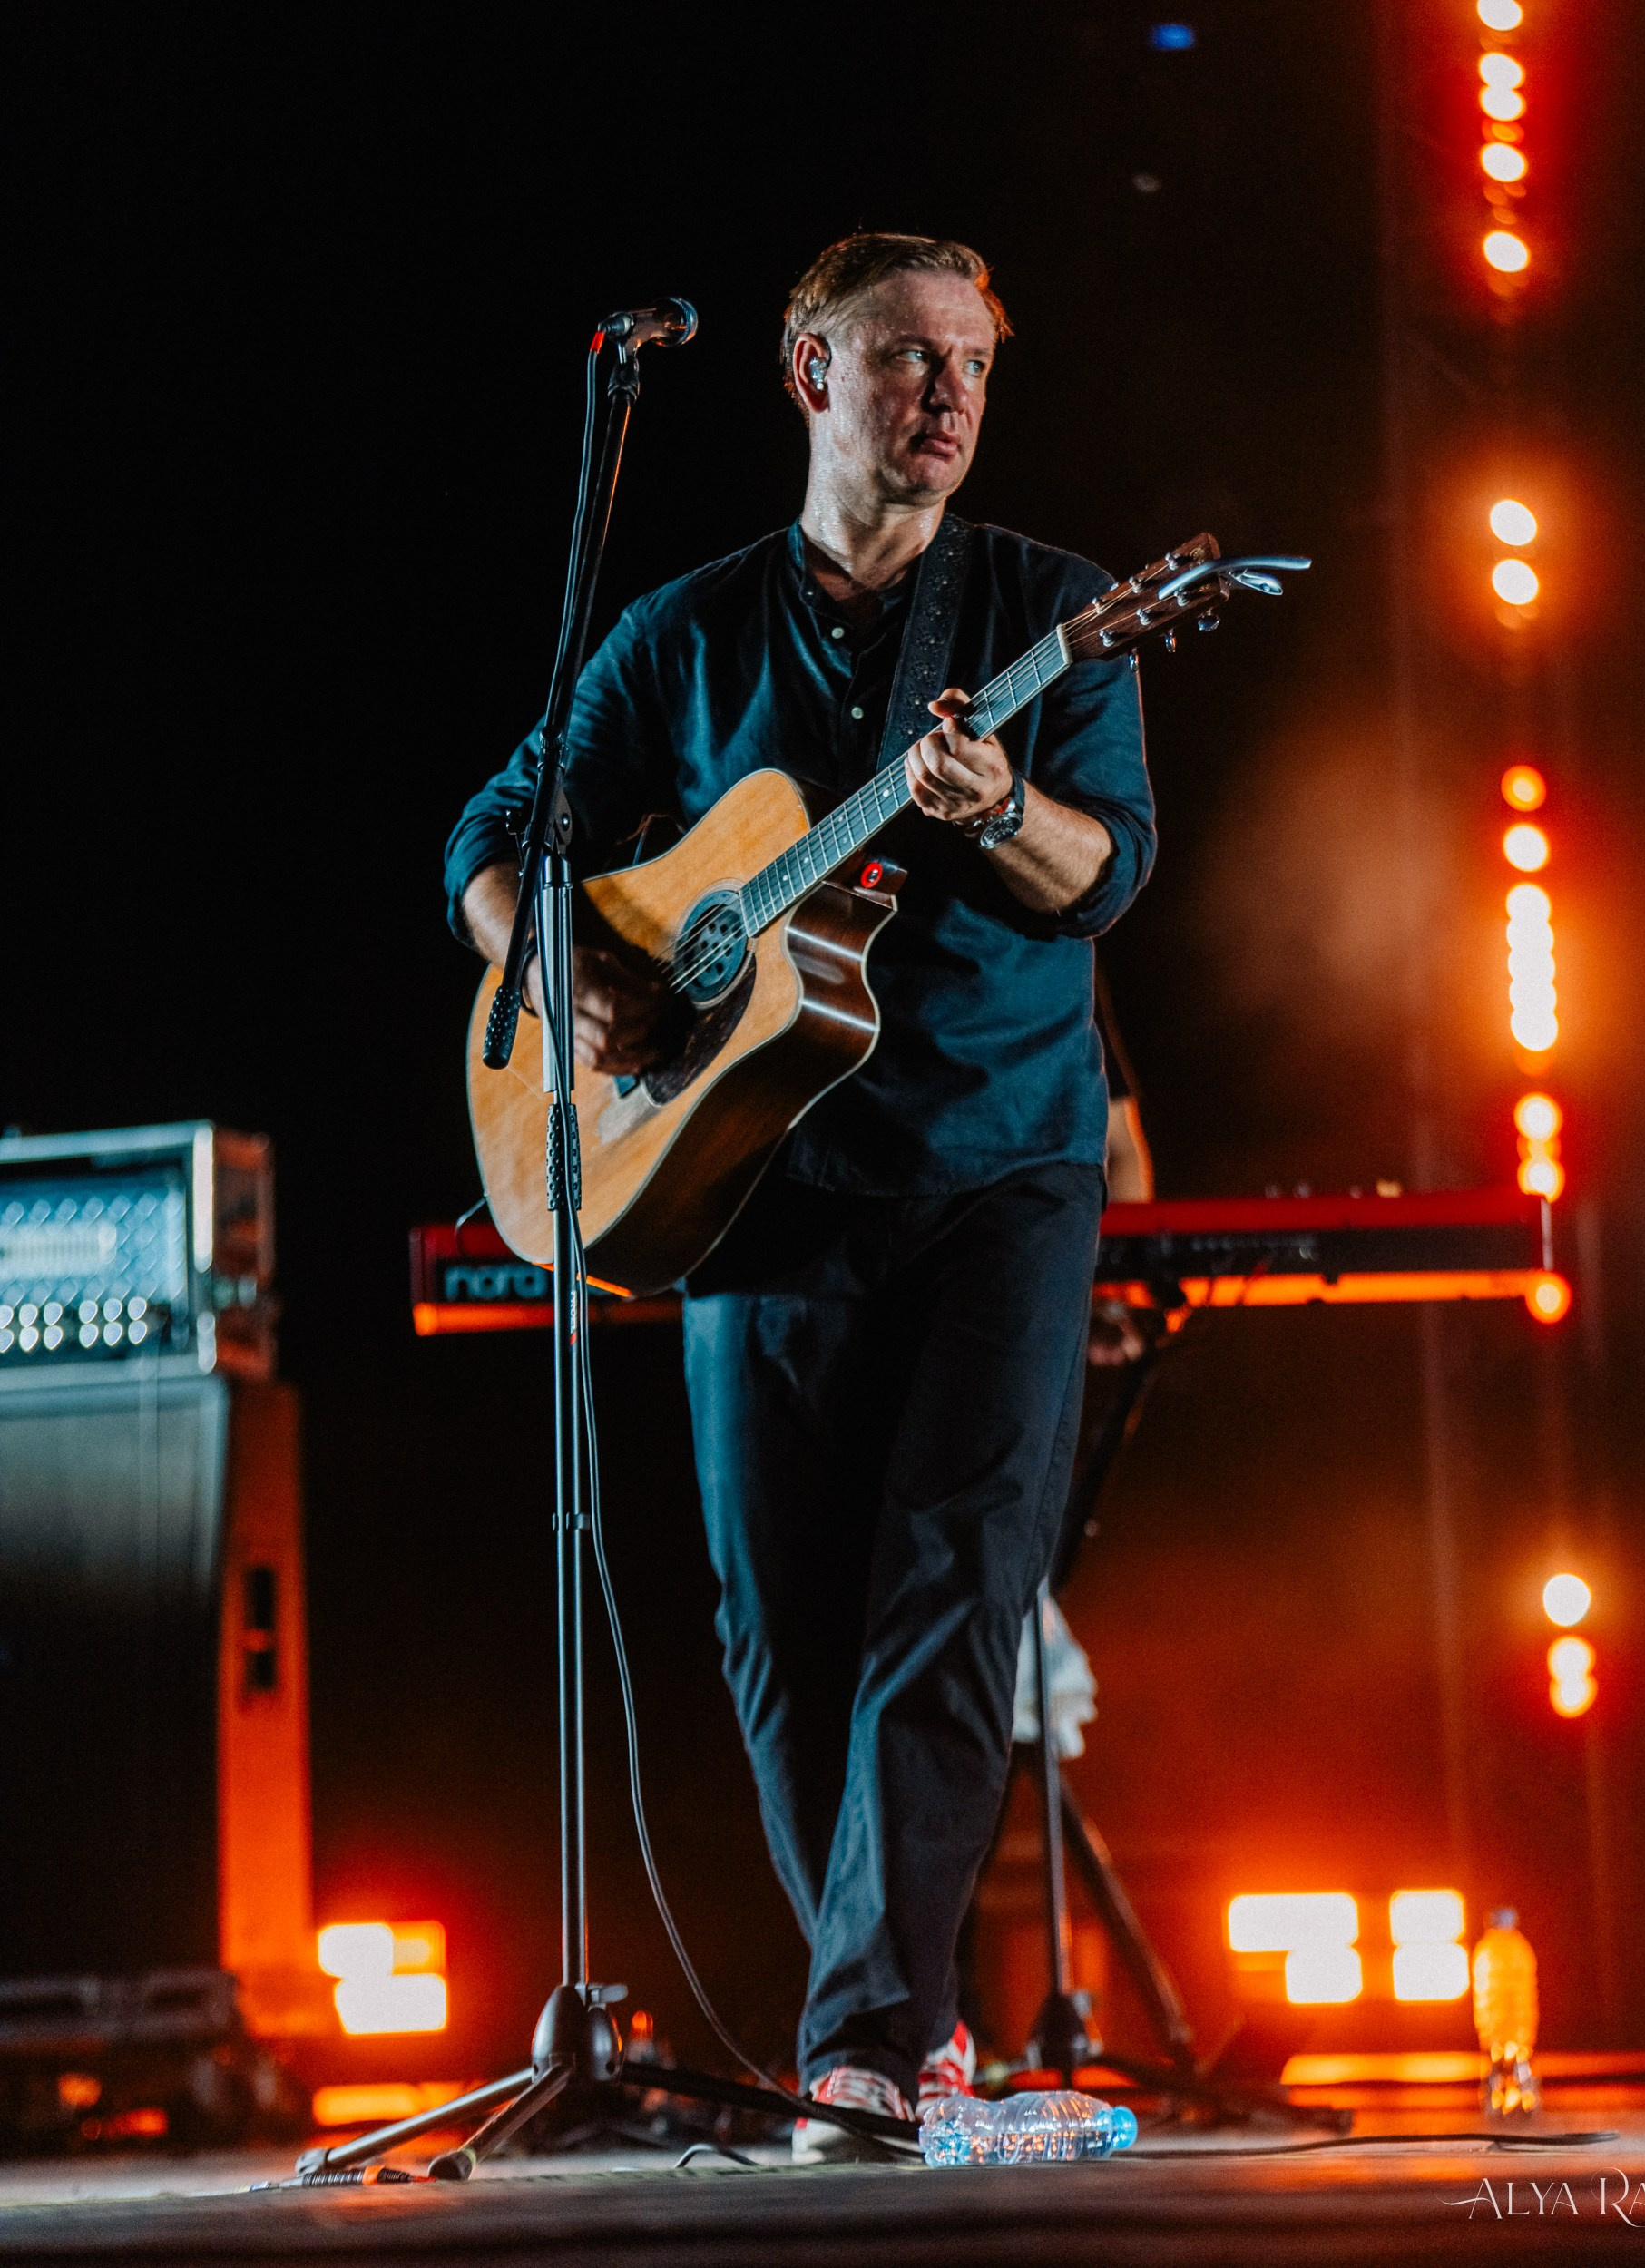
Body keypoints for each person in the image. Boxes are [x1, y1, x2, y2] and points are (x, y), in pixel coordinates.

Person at [445, 232, 1155, 2156]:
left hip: (1001, 1162)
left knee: (956, 1581)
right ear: (805, 374)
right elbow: (498, 829)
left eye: (973, 365)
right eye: (905, 357)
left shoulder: (1057, 609)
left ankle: (864, 2038)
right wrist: (560, 964)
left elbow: (1105, 874)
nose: (944, 395)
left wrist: (993, 806)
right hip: (749, 1176)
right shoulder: (677, 633)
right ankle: (890, 2018)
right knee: (780, 1620)